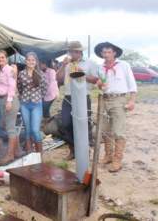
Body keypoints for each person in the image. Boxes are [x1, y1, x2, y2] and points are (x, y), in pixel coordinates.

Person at [95, 42, 137, 173]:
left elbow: (132, 83)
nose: (106, 55)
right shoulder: (100, 67)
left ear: (114, 53)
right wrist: (100, 84)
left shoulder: (124, 65)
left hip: (119, 99)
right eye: (104, 52)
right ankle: (108, 155)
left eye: (108, 52)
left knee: (118, 131)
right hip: (104, 99)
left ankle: (117, 160)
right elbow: (100, 85)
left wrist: (132, 100)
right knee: (105, 130)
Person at [56, 41, 98, 160]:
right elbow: (58, 80)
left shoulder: (90, 63)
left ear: (79, 52)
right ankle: (73, 149)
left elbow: (96, 80)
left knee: (84, 124)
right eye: (69, 51)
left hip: (83, 97)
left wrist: (82, 73)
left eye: (72, 52)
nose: (70, 54)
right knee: (65, 124)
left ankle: (85, 151)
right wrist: (63, 66)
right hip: (68, 97)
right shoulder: (67, 64)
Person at [0, 50, 23, 164]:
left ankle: (10, 155)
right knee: (8, 126)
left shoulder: (10, 69)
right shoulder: (1, 70)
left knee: (10, 127)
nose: (0, 59)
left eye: (3, 57)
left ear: (6, 59)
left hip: (9, 99)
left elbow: (12, 86)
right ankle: (17, 151)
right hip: (2, 99)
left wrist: (9, 101)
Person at [17, 52, 47, 154]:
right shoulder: (21, 74)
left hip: (36, 104)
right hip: (24, 104)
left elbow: (44, 89)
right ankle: (29, 152)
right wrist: (23, 97)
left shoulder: (40, 74)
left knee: (35, 129)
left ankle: (39, 153)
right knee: (27, 129)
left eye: (33, 60)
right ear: (25, 61)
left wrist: (38, 97)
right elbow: (19, 87)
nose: (31, 62)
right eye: (29, 60)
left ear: (36, 62)